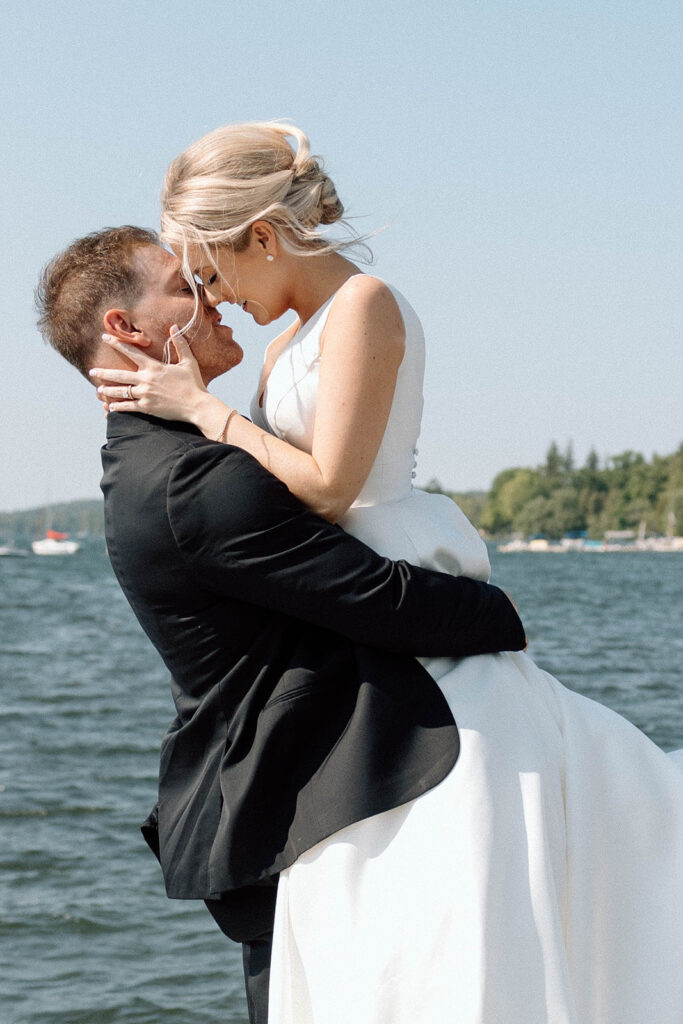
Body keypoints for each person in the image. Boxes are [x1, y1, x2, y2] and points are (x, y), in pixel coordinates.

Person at [90, 123, 683, 1024]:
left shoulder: (364, 304)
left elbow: (327, 486)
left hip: (392, 562)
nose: (215, 295)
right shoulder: (287, 343)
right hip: (355, 619)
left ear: (262, 234)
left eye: (212, 270)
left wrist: (208, 414)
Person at [36, 226, 527, 1024]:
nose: (210, 292)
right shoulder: (194, 481)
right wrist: (503, 615)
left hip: (299, 804)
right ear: (126, 331)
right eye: (181, 286)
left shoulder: (163, 456)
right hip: (291, 810)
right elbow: (378, 597)